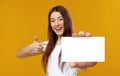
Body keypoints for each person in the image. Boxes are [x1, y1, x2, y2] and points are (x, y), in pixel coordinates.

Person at [17, 5, 97, 76]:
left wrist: (84, 58)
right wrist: (30, 48)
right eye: (52, 21)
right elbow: (19, 55)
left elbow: (83, 68)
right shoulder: (48, 45)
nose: (56, 24)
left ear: (67, 21)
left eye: (60, 19)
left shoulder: (74, 44)